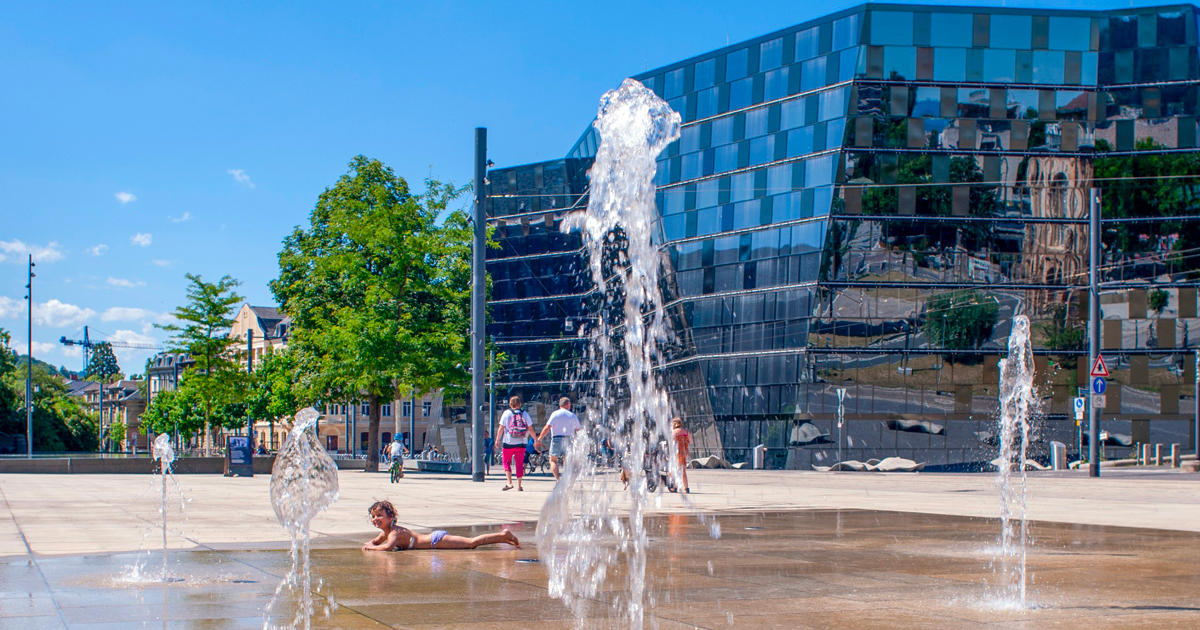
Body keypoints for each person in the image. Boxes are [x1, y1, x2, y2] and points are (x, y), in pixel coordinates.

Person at [362, 500, 519, 551]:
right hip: (434, 540)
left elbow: (388, 548)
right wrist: (371, 544)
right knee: (471, 544)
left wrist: (371, 548)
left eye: (379, 516)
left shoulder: (395, 532)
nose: (375, 519)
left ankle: (503, 535)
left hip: (436, 540)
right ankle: (504, 539)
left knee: (471, 543)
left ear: (390, 518)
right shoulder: (386, 532)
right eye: (374, 516)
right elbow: (375, 542)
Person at [537, 396, 582, 481]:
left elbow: (547, 427)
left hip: (556, 439)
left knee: (553, 460)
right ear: (568, 404)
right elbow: (579, 429)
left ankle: (558, 480)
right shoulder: (572, 415)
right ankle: (566, 479)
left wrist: (540, 438)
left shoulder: (555, 414)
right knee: (568, 460)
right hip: (568, 439)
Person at [497, 395, 536, 491]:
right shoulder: (525, 414)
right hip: (522, 442)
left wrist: (497, 439)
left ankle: (509, 482)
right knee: (519, 463)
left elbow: (501, 428)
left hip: (508, 442)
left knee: (506, 462)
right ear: (520, 404)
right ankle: (519, 485)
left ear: (510, 404)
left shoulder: (506, 413)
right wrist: (535, 439)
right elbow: (530, 428)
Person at [671, 417, 691, 494]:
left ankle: (678, 487)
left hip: (677, 453)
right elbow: (691, 441)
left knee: (677, 470)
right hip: (684, 453)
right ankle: (683, 488)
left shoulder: (674, 432)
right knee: (682, 471)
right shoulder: (686, 431)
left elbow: (672, 442)